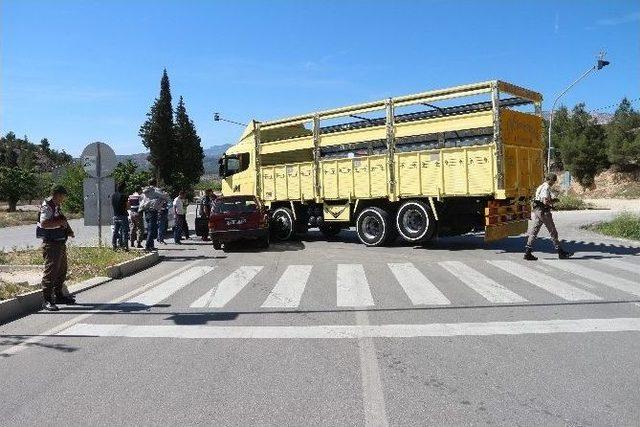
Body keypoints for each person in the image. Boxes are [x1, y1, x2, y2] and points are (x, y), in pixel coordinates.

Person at [36, 185, 75, 311]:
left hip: (59, 242)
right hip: (51, 244)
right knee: (51, 272)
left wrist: (68, 230)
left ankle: (58, 295)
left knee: (61, 270)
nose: (64, 199)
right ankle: (46, 300)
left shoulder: (56, 205)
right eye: (63, 196)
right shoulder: (47, 206)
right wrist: (60, 224)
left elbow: (61, 219)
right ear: (57, 195)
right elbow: (44, 223)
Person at [524, 173, 574, 261]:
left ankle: (527, 252)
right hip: (544, 211)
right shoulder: (546, 188)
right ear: (550, 180)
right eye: (553, 181)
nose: (554, 183)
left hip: (537, 211)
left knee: (534, 231)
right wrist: (553, 201)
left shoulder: (540, 186)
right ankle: (560, 252)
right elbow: (545, 201)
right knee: (553, 231)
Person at [139, 179, 165, 251]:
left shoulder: (144, 191)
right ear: (155, 183)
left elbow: (141, 199)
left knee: (150, 228)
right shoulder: (155, 190)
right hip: (152, 211)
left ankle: (151, 246)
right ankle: (147, 246)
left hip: (146, 211)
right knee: (152, 230)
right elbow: (163, 196)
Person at [111, 182, 130, 251]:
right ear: (124, 188)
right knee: (125, 231)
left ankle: (114, 245)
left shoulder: (113, 195)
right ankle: (125, 247)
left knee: (115, 231)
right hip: (123, 216)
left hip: (115, 215)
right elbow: (127, 207)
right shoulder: (125, 196)